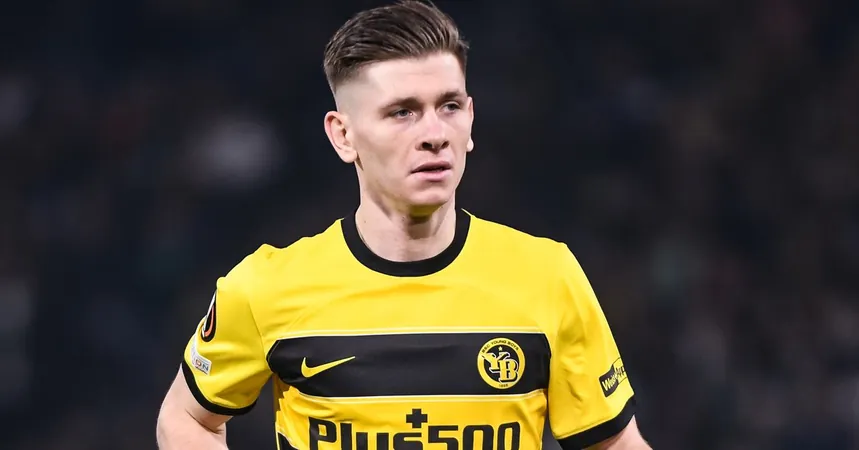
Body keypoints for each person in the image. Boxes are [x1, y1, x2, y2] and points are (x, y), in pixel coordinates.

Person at [155, 1, 650, 449]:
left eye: (449, 106)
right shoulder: (266, 288)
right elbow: (187, 418)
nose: (435, 134)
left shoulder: (547, 277)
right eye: (402, 112)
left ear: (470, 119)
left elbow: (614, 445)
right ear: (343, 135)